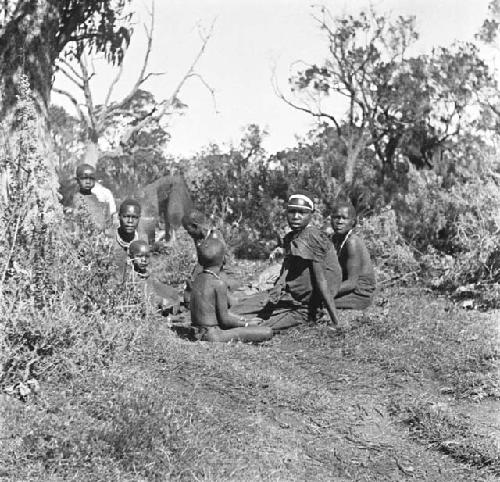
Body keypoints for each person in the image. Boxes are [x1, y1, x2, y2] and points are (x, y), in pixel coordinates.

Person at [233, 190, 345, 332]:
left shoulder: (312, 237)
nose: (296, 217)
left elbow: (321, 281)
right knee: (236, 311)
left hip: (303, 308)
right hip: (286, 299)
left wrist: (336, 322)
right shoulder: (293, 236)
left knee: (250, 326)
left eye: (302, 212)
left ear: (312, 214)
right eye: (292, 211)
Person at [190, 236, 273, 343]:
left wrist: (244, 319)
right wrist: (247, 324)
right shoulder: (218, 284)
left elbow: (219, 314)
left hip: (197, 333)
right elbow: (225, 321)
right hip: (213, 335)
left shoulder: (197, 279)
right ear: (224, 259)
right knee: (267, 332)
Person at [182, 209, 239, 308]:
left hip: (221, 271)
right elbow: (201, 262)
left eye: (188, 230)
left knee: (224, 296)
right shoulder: (197, 239)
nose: (188, 233)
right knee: (191, 293)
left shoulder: (216, 236)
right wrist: (193, 279)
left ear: (196, 226)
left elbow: (221, 262)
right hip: (207, 271)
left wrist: (203, 276)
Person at [330, 201, 376, 309]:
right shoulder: (335, 239)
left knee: (317, 303)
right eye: (336, 217)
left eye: (344, 218)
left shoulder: (352, 242)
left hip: (359, 295)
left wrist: (325, 292)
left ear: (353, 222)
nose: (339, 222)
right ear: (331, 219)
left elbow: (351, 283)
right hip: (345, 289)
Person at [124, 240, 180, 314]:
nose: (144, 260)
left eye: (147, 256)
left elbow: (170, 294)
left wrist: (168, 301)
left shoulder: (150, 277)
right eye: (139, 256)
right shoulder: (130, 278)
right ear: (131, 257)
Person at [72, 163, 111, 229]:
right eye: (84, 178)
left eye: (91, 178)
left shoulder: (96, 198)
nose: (88, 182)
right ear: (77, 180)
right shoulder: (76, 200)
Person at [113, 199, 146, 271]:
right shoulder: (110, 240)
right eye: (126, 216)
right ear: (119, 216)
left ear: (139, 218)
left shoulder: (143, 240)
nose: (130, 221)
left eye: (134, 217)